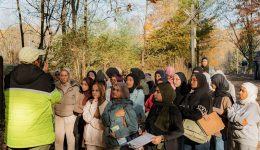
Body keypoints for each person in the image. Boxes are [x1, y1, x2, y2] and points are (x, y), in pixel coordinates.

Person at [4, 47, 61, 149]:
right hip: (39, 139)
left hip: (14, 138)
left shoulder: (8, 78)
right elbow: (57, 97)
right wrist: (43, 74)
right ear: (36, 61)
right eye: (39, 59)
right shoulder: (44, 79)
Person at [145, 82, 183, 150]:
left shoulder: (173, 110)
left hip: (164, 146)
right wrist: (145, 130)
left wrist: (162, 137)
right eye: (155, 91)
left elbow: (179, 131)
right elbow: (148, 121)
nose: (154, 93)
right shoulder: (155, 106)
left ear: (165, 93)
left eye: (158, 92)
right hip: (150, 143)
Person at [179, 73, 212, 150]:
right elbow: (181, 108)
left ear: (201, 81)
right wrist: (186, 110)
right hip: (187, 133)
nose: (191, 82)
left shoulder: (205, 96)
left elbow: (197, 115)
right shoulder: (190, 95)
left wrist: (183, 110)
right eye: (191, 80)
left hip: (200, 135)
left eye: (195, 80)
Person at [101, 82, 138, 150]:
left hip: (121, 144)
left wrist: (118, 134)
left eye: (118, 90)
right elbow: (104, 121)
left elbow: (134, 127)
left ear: (123, 92)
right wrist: (115, 115)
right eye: (113, 89)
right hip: (109, 142)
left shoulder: (127, 106)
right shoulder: (110, 104)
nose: (114, 91)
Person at [54, 68, 82, 150]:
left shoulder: (74, 87)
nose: (63, 77)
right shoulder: (55, 87)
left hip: (70, 116)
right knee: (58, 139)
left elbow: (78, 101)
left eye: (65, 75)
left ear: (68, 76)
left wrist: (76, 113)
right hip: (58, 116)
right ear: (59, 76)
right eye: (61, 75)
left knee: (70, 139)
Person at [228, 82, 260, 150]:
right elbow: (228, 113)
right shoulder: (237, 103)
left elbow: (242, 123)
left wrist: (232, 119)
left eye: (243, 91)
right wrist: (236, 120)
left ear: (250, 93)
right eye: (240, 90)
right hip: (234, 138)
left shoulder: (253, 106)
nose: (240, 92)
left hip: (247, 141)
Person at [211, 74, 233, 150]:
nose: (211, 84)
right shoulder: (213, 94)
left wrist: (213, 109)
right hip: (210, 127)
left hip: (221, 129)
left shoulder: (226, 97)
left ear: (218, 83)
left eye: (213, 82)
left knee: (219, 145)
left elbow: (228, 113)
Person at [83, 82, 108, 150]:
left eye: (97, 90)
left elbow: (103, 125)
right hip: (89, 138)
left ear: (101, 91)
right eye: (93, 90)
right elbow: (86, 118)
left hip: (101, 139)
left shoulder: (106, 104)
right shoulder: (89, 102)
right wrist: (94, 105)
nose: (94, 92)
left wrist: (92, 120)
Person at [74, 77, 94, 150]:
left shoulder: (92, 96)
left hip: (87, 123)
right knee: (78, 139)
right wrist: (83, 109)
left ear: (90, 85)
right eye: (82, 84)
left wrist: (82, 109)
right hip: (79, 120)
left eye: (85, 84)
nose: (83, 86)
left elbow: (90, 111)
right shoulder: (81, 94)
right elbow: (75, 107)